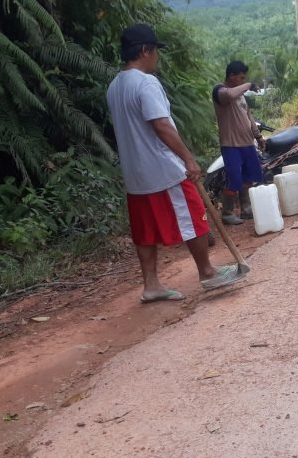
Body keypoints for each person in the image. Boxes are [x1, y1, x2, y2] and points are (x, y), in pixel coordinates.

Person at [106, 24, 242, 301]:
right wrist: (188, 159)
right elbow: (162, 126)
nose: (157, 57)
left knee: (144, 232)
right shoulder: (145, 83)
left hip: (135, 174)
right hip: (163, 170)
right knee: (194, 215)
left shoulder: (115, 86)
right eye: (155, 51)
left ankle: (151, 285)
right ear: (145, 50)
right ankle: (207, 272)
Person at [212, 61, 266, 224]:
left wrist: (258, 136)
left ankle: (246, 208)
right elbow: (227, 95)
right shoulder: (219, 91)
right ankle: (227, 213)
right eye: (241, 78)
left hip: (247, 143)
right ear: (231, 76)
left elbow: (248, 117)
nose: (243, 81)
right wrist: (249, 85)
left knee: (248, 177)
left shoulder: (240, 95)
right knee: (234, 178)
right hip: (230, 145)